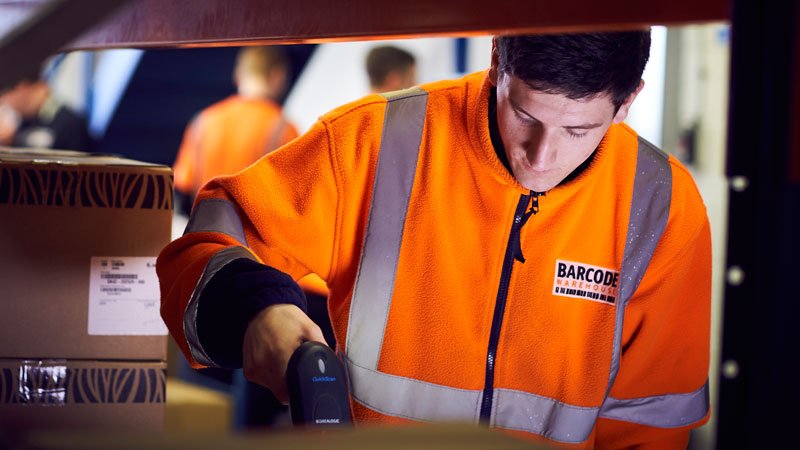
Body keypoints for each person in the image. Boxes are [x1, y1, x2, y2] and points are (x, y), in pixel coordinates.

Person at [158, 30, 711, 449]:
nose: (540, 159)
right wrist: (255, 308)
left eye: (578, 131)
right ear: (497, 60)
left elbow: (652, 425)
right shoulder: (376, 143)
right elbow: (211, 238)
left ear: (629, 99)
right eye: (524, 115)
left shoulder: (661, 208)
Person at [172, 45, 299, 213]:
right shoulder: (283, 129)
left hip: (206, 231)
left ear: (238, 75)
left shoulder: (202, 121)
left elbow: (182, 185)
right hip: (252, 236)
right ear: (278, 76)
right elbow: (297, 197)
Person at [0, 76, 94, 152]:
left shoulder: (70, 123)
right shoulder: (23, 122)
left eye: (6, 92)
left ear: (22, 86)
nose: (4, 100)